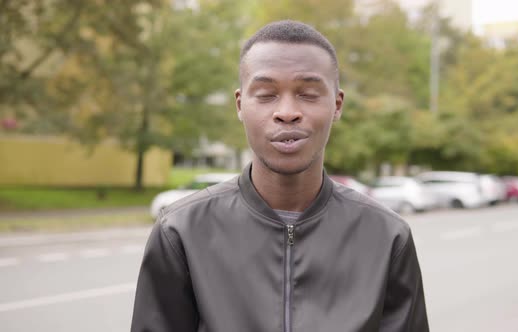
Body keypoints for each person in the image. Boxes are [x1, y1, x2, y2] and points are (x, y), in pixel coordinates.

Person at [131, 20, 429, 332]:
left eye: (308, 93)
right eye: (266, 94)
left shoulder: (387, 237)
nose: (287, 111)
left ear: (337, 105)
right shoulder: (181, 233)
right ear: (240, 105)